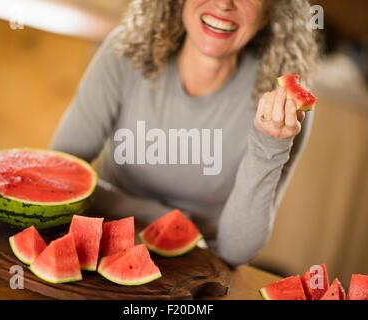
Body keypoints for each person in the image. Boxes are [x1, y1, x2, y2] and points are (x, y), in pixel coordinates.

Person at [51, 0, 319, 267]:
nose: (224, 4)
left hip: (200, 268)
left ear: (270, 11)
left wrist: (270, 144)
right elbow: (59, 178)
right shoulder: (124, 52)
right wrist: (161, 217)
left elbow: (237, 251)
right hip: (104, 245)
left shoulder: (282, 108)